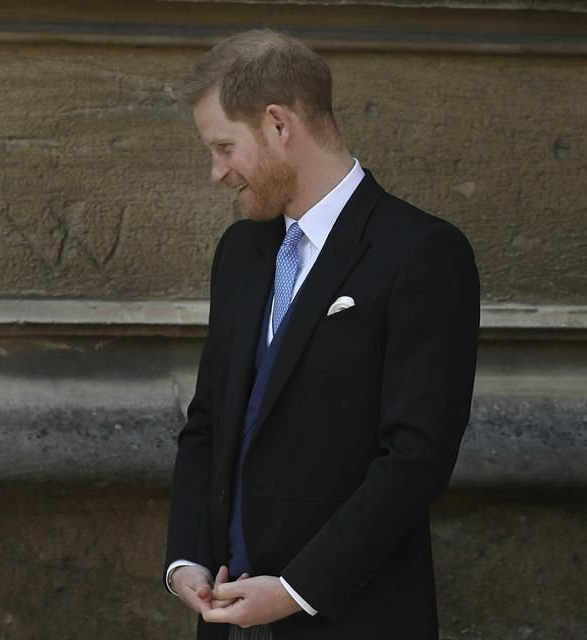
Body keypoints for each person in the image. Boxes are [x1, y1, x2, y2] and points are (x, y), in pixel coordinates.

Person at [164, 29, 479, 640]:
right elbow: (208, 422)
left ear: (279, 125)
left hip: (355, 620)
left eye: (225, 147)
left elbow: (417, 458)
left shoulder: (423, 254)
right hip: (227, 622)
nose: (216, 172)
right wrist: (186, 560)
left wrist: (295, 591)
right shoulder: (240, 251)